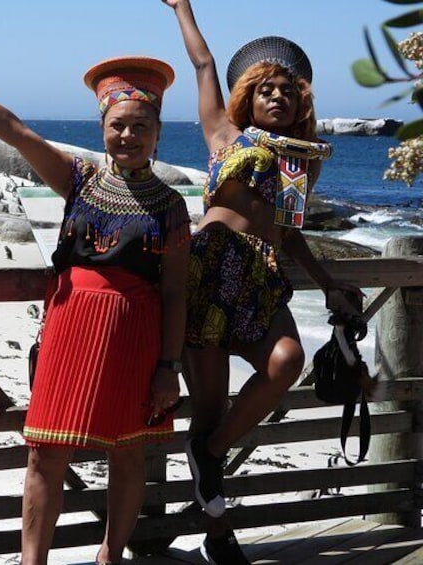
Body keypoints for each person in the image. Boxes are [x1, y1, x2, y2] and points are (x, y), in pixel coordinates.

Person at [0, 56, 190, 565]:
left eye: (141, 126)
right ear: (102, 128)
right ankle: (33, 562)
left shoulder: (171, 206)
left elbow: (176, 293)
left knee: (129, 453)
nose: (129, 135)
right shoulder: (81, 180)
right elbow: (19, 135)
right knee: (44, 451)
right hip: (70, 330)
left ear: (158, 132)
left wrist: (168, 368)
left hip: (137, 338)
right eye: (118, 125)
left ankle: (110, 556)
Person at [163, 1, 363, 563]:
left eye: (288, 91)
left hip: (260, 279)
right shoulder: (223, 135)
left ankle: (210, 452)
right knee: (206, 404)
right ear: (246, 97)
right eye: (266, 89)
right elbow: (204, 65)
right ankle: (219, 536)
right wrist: (182, 8)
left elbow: (291, 235)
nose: (278, 96)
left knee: (285, 363)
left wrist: (328, 285)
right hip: (208, 275)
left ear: (302, 103)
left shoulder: (302, 165)